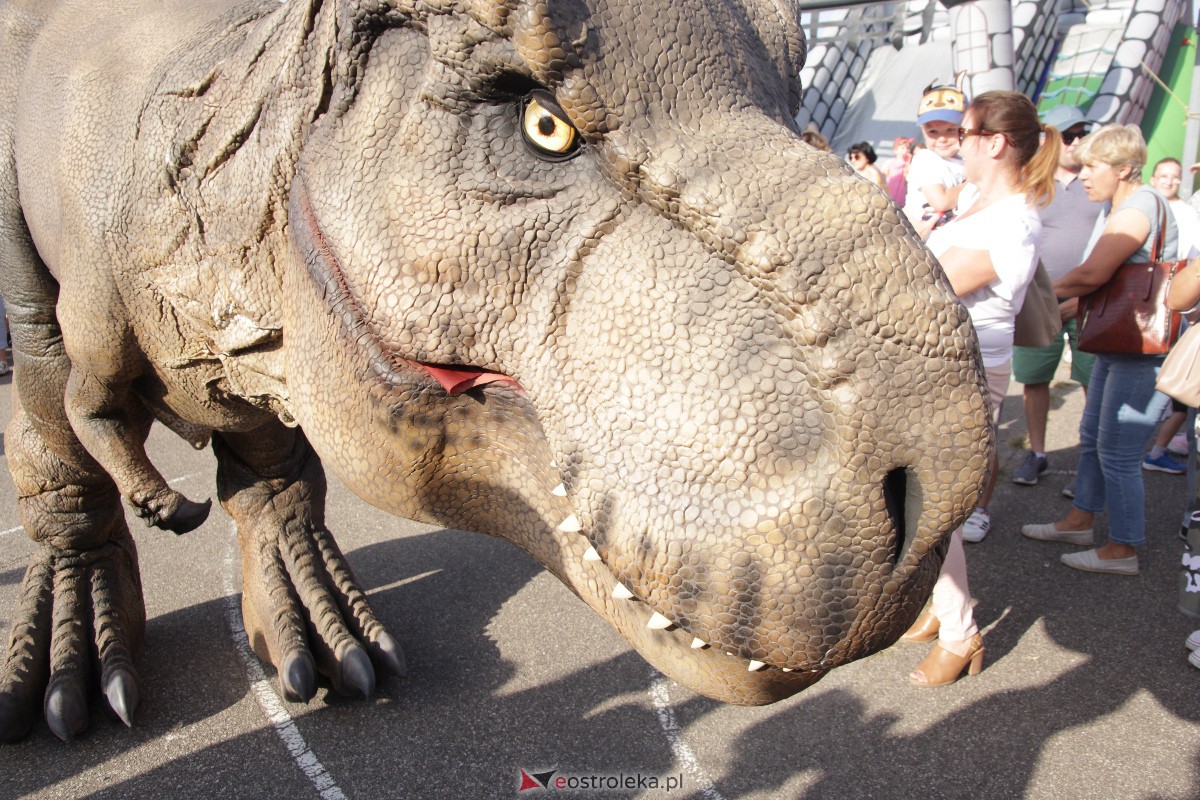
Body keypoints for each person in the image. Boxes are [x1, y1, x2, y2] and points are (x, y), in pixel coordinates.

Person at [903, 90, 1059, 686]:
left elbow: (927, 286)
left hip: (962, 372)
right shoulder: (974, 200)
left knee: (932, 507)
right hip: (931, 365)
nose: (956, 146)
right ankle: (939, 605)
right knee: (916, 501)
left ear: (994, 143)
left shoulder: (1016, 218)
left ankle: (960, 631)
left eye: (965, 135)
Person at [1022, 124, 1179, 576]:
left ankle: (1123, 547)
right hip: (1121, 345)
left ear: (1124, 169)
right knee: (1094, 438)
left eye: (1093, 166)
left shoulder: (1137, 209)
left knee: (1118, 452)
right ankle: (1080, 520)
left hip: (1138, 350)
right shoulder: (1125, 206)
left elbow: (1092, 275)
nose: (1084, 175)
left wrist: (1030, 294)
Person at [1010, 106, 1104, 488]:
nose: (1077, 141)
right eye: (1069, 134)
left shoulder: (1098, 182)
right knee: (1035, 380)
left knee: (1093, 382)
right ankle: (1038, 453)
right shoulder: (1031, 183)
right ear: (1049, 138)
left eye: (1083, 133)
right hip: (1041, 303)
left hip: (1091, 302)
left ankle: (1089, 461)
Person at [902, 80, 968, 232]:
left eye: (951, 129)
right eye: (933, 132)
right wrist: (974, 183)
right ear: (923, 131)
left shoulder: (963, 162)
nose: (942, 138)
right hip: (924, 243)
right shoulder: (926, 159)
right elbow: (941, 202)